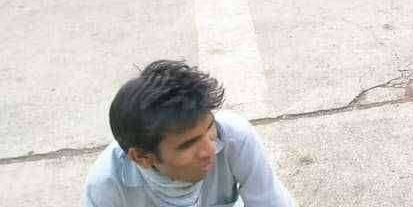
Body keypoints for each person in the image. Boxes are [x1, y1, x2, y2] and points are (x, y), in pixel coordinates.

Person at [82, 60, 294, 206]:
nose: (209, 150)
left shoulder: (234, 137)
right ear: (142, 157)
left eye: (209, 128)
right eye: (188, 144)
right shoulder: (106, 185)